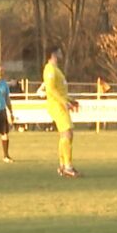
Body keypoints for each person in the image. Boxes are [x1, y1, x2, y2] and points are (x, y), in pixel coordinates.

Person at [43, 47, 80, 177]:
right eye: (59, 52)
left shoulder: (56, 69)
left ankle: (63, 165)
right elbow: (51, 89)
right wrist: (63, 102)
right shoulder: (50, 69)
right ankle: (67, 167)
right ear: (53, 54)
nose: (61, 54)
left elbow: (60, 90)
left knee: (66, 134)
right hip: (57, 106)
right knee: (67, 133)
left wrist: (70, 100)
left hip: (60, 104)